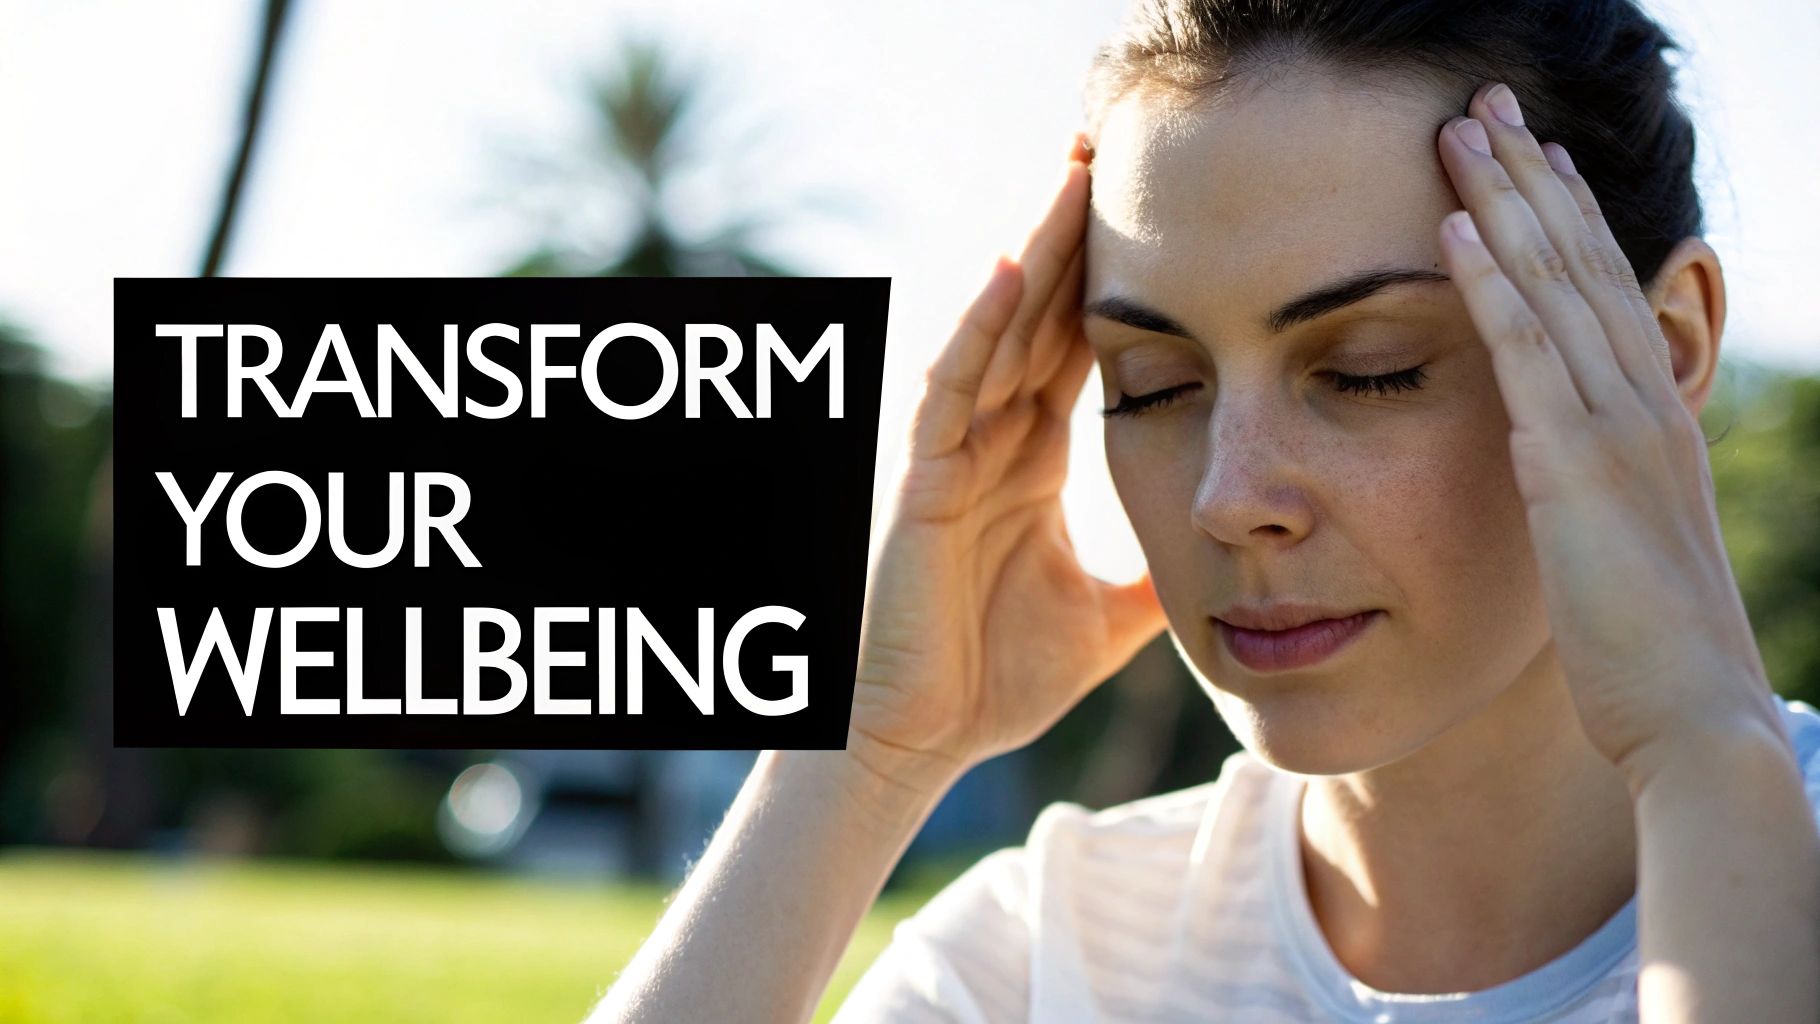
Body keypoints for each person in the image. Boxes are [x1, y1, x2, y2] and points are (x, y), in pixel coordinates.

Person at [586, 0, 1820, 1020]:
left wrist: (1703, 753)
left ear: (1659, 351)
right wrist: (863, 758)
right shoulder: (1045, 961)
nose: (1229, 497)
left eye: (1370, 365)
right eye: (1153, 385)